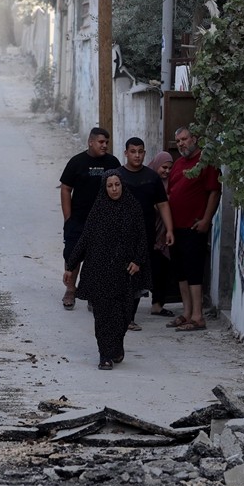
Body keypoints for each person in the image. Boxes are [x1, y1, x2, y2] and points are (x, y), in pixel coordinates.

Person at [63, 171, 150, 370]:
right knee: (102, 316)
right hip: (98, 270)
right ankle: (105, 355)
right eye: (109, 186)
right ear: (104, 188)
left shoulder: (132, 208)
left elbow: (141, 238)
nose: (114, 189)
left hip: (124, 273)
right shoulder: (98, 210)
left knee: (123, 315)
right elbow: (84, 239)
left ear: (122, 185)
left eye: (117, 185)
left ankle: (117, 346)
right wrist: (71, 266)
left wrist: (137, 261)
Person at [166, 126, 221, 332]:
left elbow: (214, 192)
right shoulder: (179, 164)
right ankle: (187, 313)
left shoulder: (206, 163)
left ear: (194, 138)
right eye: (178, 140)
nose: (181, 143)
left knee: (194, 272)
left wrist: (207, 219)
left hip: (194, 226)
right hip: (176, 227)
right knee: (181, 273)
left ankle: (198, 316)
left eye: (185, 139)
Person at [116, 138, 174, 331]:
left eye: (140, 151)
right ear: (126, 153)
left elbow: (163, 204)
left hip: (144, 236)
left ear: (144, 153)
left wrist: (169, 229)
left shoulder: (152, 178)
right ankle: (117, 314)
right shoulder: (117, 177)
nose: (137, 155)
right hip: (119, 235)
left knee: (137, 276)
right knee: (119, 275)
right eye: (133, 151)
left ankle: (129, 317)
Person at [59, 128, 120, 309]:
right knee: (73, 255)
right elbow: (65, 188)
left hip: (104, 221)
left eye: (106, 143)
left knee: (99, 258)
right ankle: (71, 290)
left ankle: (94, 293)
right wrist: (68, 217)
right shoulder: (77, 162)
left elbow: (119, 188)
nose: (104, 145)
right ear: (90, 142)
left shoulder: (112, 162)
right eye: (101, 142)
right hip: (78, 219)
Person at [147, 150, 177, 317]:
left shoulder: (171, 183)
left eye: (169, 168)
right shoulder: (147, 179)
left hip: (164, 234)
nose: (166, 171)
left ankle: (157, 304)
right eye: (163, 167)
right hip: (148, 232)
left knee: (161, 269)